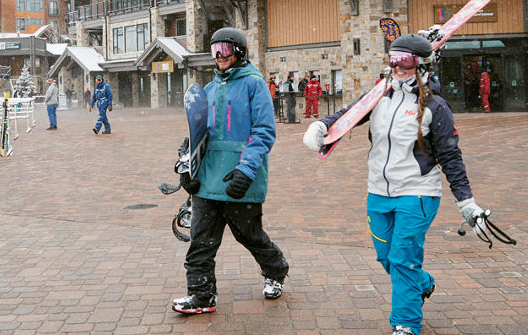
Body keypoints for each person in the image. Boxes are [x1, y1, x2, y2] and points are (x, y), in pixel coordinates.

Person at [303, 34, 487, 335]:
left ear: (423, 66)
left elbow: (451, 157)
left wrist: (466, 202)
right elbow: (348, 115)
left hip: (417, 194)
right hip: (378, 192)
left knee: (403, 258)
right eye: (393, 60)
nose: (398, 67)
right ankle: (422, 283)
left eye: (406, 61)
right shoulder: (378, 97)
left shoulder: (436, 108)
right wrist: (322, 125)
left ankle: (406, 323)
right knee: (387, 257)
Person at [172, 27, 289, 315]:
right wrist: (188, 167)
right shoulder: (208, 91)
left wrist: (246, 169)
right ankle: (201, 296)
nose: (219, 56)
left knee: (250, 236)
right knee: (201, 241)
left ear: (239, 52)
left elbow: (263, 131)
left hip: (240, 178)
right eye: (214, 51)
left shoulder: (254, 85)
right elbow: (198, 136)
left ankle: (276, 270)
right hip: (209, 180)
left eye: (224, 49)